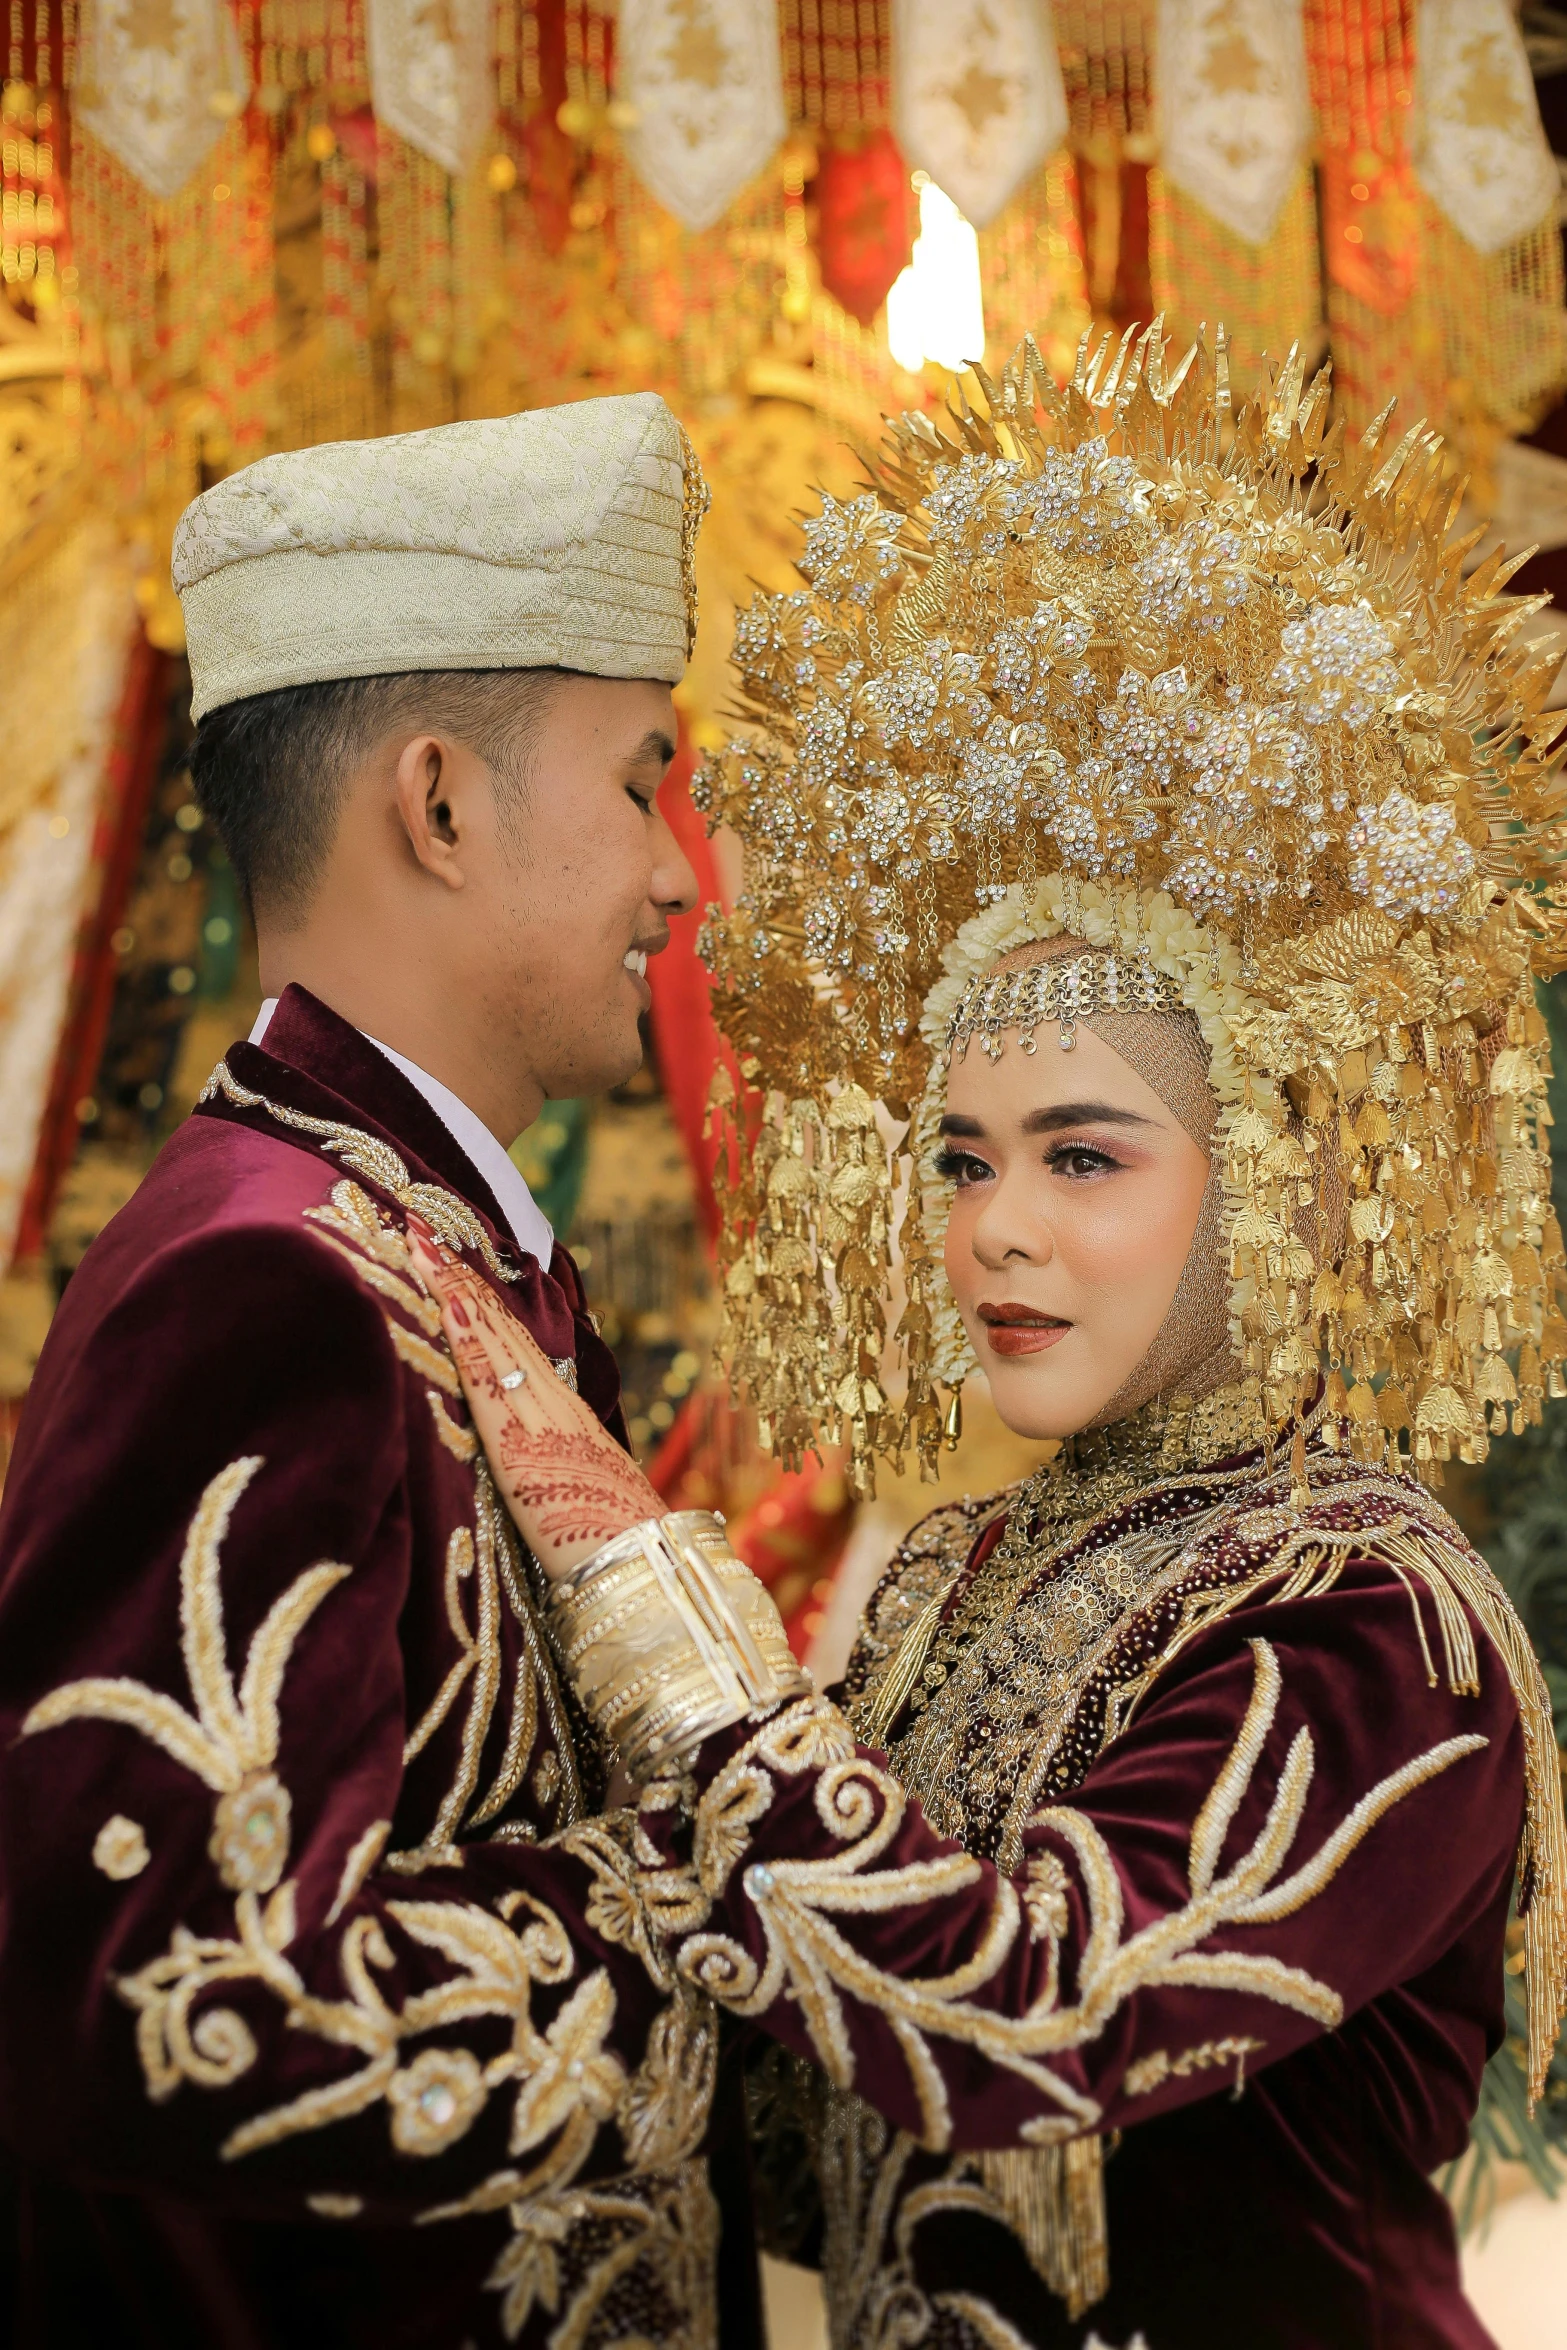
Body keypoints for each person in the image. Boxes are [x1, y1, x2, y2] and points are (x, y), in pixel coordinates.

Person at [408, 331, 1567, 2350]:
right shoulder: (966, 1562)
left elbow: (1026, 2012)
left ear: (1270, 1175)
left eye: (1085, 1156)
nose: (996, 1228)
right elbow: (808, 2089)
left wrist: (662, 1615)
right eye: (962, 1157)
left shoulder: (1370, 1617)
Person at [0, 394, 813, 2349]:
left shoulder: (425, 1247)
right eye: (642, 782)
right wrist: (717, 1899)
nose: (680, 873)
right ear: (441, 804)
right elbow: (162, 2007)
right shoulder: (267, 1283)